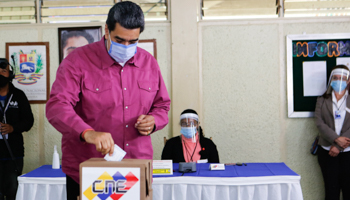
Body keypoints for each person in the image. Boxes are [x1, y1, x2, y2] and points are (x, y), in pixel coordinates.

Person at [46, 2, 170, 200]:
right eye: (120, 40)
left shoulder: (149, 63)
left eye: (133, 41)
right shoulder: (76, 62)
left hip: (135, 170)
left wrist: (154, 120)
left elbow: (162, 106)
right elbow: (56, 107)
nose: (127, 47)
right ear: (106, 30)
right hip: (89, 172)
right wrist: (88, 133)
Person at [0, 58, 34, 200]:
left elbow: (29, 121)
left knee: (13, 190)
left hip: (13, 154)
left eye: (3, 71)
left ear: (10, 74)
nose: (0, 75)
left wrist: (13, 128)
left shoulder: (19, 95)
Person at [315, 65, 350, 200]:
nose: (339, 81)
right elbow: (319, 123)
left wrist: (339, 146)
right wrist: (335, 140)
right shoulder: (322, 100)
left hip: (348, 151)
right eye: (335, 78)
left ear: (348, 81)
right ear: (331, 79)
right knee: (331, 189)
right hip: (327, 150)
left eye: (342, 78)